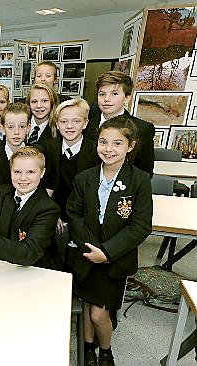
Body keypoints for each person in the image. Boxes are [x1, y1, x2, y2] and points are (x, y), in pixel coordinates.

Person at [65, 116, 152, 366]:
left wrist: (106, 252)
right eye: (103, 142)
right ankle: (88, 349)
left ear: (131, 146)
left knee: (98, 313)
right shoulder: (85, 177)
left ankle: (105, 350)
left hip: (114, 260)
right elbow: (74, 213)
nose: (108, 149)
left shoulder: (139, 180)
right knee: (86, 307)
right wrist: (90, 247)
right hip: (85, 255)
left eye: (117, 143)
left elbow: (140, 226)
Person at [40, 99, 100, 231]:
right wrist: (52, 214)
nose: (69, 126)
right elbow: (44, 187)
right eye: (64, 121)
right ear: (57, 124)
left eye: (76, 121)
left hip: (84, 216)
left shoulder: (96, 151)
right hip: (54, 212)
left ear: (85, 124)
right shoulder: (48, 148)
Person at [85, 71, 155, 177]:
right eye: (102, 94)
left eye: (114, 94)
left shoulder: (142, 129)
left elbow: (145, 172)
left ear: (127, 98)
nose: (106, 99)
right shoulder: (86, 123)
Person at [0, 102, 30, 185]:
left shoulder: (37, 154)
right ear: (2, 129)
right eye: (10, 127)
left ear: (28, 128)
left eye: (22, 127)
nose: (16, 132)